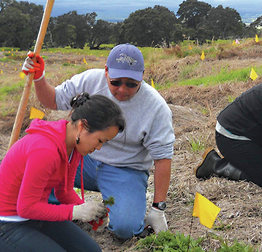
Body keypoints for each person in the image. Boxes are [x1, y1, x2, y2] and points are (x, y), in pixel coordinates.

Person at [0, 93, 126, 252]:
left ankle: (28, 251)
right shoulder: (44, 150)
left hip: (35, 217)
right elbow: (26, 208)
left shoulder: (74, 147)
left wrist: (85, 209)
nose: (99, 148)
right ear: (82, 126)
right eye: (100, 140)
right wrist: (74, 212)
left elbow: (63, 192)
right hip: (6, 224)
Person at [22, 44, 175, 239]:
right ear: (106, 71)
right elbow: (53, 100)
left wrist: (158, 208)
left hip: (125, 170)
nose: (122, 89)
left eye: (131, 84)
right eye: (116, 81)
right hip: (83, 160)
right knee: (41, 179)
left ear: (142, 76)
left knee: (126, 228)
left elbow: (163, 158)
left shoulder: (156, 107)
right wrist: (39, 77)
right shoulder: (89, 81)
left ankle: (112, 204)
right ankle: (50, 214)